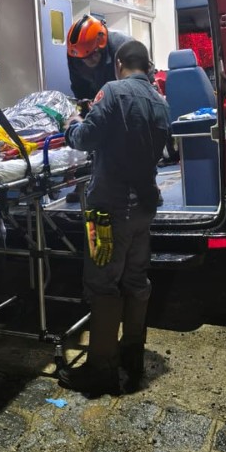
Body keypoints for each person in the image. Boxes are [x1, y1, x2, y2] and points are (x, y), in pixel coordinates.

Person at [58, 39, 170, 396]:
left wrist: (72, 123)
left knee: (102, 284)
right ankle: (132, 355)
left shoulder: (112, 91)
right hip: (145, 206)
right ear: (147, 65)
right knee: (136, 279)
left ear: (119, 63)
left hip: (107, 210)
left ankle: (100, 371)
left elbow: (85, 139)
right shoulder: (160, 101)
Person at [67, 15, 134, 101]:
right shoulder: (75, 53)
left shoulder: (124, 47)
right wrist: (86, 104)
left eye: (92, 54)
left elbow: (139, 87)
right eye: (84, 58)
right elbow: (79, 88)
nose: (89, 61)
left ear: (102, 45)